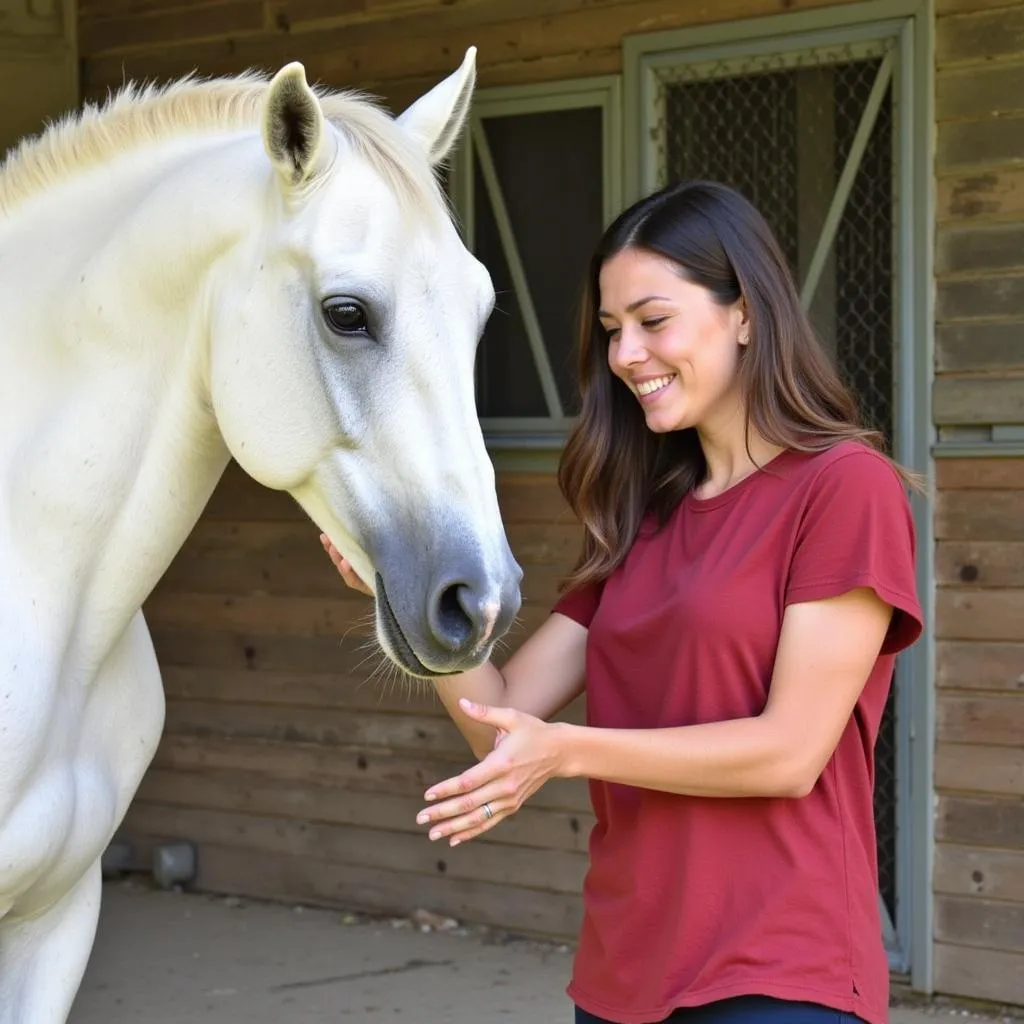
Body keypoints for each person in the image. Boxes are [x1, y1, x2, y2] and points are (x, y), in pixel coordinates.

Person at [320, 179, 923, 1024]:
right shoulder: (645, 514)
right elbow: (501, 715)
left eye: (653, 320)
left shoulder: (842, 489)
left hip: (783, 969)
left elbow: (790, 751)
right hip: (623, 974)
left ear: (745, 312)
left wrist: (566, 751)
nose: (626, 355)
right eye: (611, 331)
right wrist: (408, 604)